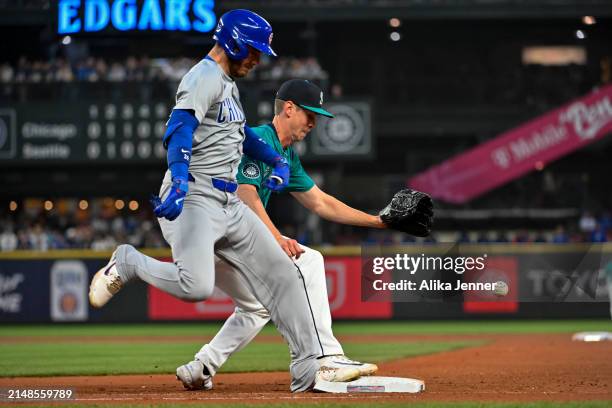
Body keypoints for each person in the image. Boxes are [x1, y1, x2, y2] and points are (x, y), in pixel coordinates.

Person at [88, 10, 361, 392]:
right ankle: (129, 262)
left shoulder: (228, 84)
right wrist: (180, 177)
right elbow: (179, 128)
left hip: (228, 202)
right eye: (253, 50)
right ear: (233, 42)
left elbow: (240, 135)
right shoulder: (203, 76)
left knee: (285, 272)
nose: (257, 58)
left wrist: (275, 159)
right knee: (195, 287)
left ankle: (310, 369)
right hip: (195, 196)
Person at [176, 79, 389, 391]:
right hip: (216, 230)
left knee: (256, 308)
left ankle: (201, 366)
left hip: (217, 239)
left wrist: (377, 221)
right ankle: (325, 358)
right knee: (309, 261)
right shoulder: (259, 140)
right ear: (289, 109)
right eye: (310, 115)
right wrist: (275, 236)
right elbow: (245, 192)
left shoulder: (286, 156)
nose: (314, 123)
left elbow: (320, 202)